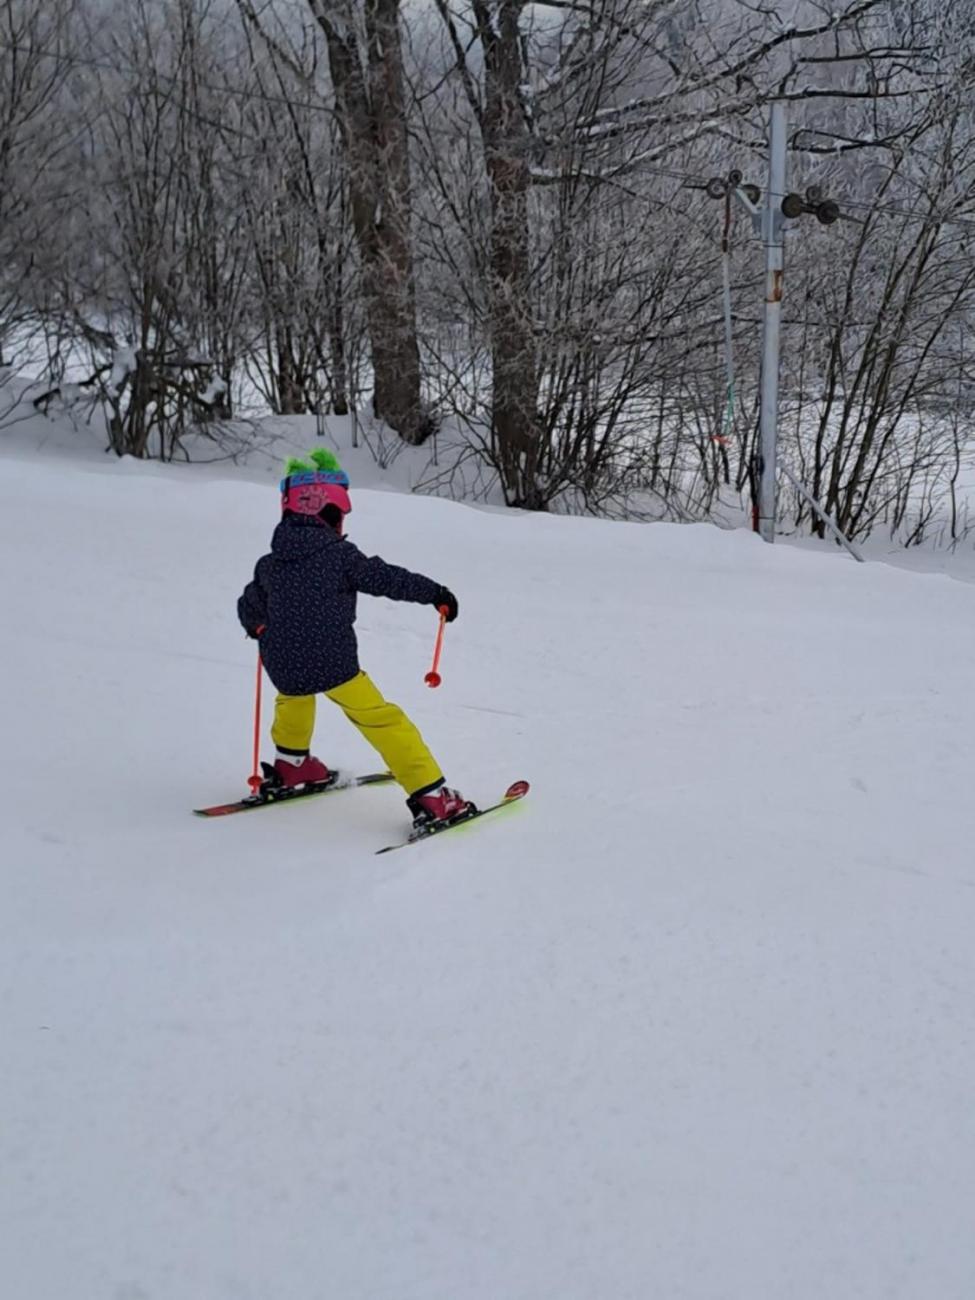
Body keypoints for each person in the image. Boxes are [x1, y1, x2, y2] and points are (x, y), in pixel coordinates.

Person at [237, 449, 468, 828]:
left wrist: (261, 630)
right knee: (381, 719)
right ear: (331, 514)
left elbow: (249, 607)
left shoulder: (270, 563)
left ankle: (293, 765)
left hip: (282, 660)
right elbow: (388, 578)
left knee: (293, 697)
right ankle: (431, 794)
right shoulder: (341, 556)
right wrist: (435, 593)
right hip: (335, 663)